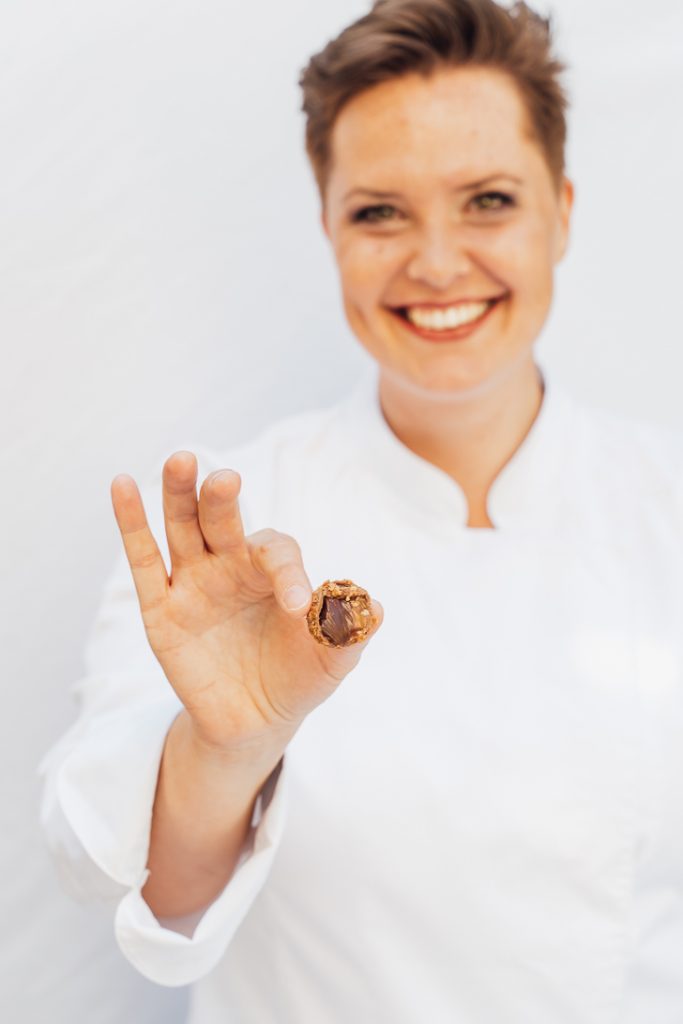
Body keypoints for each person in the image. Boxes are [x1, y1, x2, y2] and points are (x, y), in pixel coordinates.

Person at [39, 0, 683, 1020]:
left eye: (486, 200)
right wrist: (226, 751)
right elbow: (119, 875)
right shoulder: (220, 544)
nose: (434, 262)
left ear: (560, 211)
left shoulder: (666, 512)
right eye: (379, 211)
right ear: (327, 223)